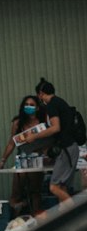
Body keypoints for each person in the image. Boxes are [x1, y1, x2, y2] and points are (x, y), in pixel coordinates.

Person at [17, 79, 80, 207]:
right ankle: (66, 221)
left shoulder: (52, 105)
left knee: (54, 187)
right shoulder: (61, 103)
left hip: (66, 148)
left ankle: (79, 214)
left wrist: (34, 136)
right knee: (62, 188)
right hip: (70, 148)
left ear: (41, 94)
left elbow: (55, 127)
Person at [0, 93, 45, 217]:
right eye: (26, 105)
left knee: (35, 191)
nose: (28, 107)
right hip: (22, 159)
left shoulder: (42, 123)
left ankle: (37, 218)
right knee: (17, 191)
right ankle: (16, 217)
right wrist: (3, 160)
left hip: (37, 159)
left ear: (37, 108)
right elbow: (11, 143)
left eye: (32, 105)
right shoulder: (18, 123)